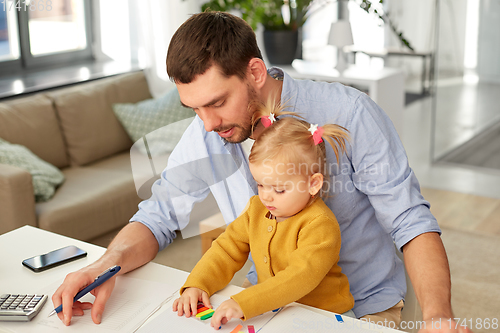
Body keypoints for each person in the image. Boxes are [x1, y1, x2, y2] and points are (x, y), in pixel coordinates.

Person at [52, 11, 470, 333]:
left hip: (360, 306)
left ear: (254, 72)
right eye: (194, 109)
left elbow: (411, 223)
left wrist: (438, 315)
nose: (207, 123)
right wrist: (104, 266)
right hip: (265, 301)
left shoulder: (350, 113)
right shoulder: (211, 131)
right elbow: (159, 215)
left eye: (216, 102)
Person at [173, 103, 354, 329]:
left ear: (313, 184)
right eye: (260, 184)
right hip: (276, 312)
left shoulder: (320, 224)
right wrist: (199, 283)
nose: (267, 197)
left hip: (326, 316)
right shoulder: (257, 208)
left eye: (279, 189)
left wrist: (243, 303)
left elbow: (298, 278)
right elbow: (227, 249)